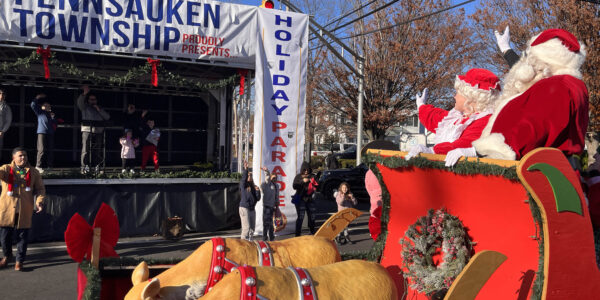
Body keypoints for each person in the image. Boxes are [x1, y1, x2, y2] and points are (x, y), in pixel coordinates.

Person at [473, 29, 589, 162]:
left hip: (536, 173)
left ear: (541, 61)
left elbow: (532, 127)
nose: (526, 66)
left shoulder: (557, 85)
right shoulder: (566, 84)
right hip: (547, 167)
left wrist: (488, 150)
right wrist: (506, 49)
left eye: (530, 58)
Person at [405, 68, 501, 166]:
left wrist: (432, 151)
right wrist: (421, 106)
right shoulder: (460, 118)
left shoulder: (486, 121)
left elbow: (464, 144)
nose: (454, 96)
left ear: (470, 97)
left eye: (457, 93)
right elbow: (436, 118)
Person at [0, 147, 45, 271]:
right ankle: (7, 256)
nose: (23, 158)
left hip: (24, 209)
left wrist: (39, 202)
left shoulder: (34, 172)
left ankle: (19, 261)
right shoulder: (6, 169)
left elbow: (40, 189)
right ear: (13, 158)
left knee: (22, 237)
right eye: (20, 155)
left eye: (25, 155)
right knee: (4, 237)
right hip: (7, 209)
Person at [77, 85, 110, 174]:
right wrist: (84, 94)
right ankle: (84, 167)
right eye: (91, 99)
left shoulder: (99, 108)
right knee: (85, 149)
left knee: (98, 149)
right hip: (87, 130)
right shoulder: (85, 107)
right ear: (88, 100)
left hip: (98, 131)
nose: (93, 101)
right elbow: (80, 103)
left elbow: (107, 117)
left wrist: (98, 109)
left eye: (94, 99)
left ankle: (97, 166)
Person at [31, 94, 59, 173]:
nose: (47, 106)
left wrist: (53, 118)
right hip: (41, 132)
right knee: (41, 149)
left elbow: (55, 125)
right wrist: (37, 97)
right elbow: (33, 105)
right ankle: (38, 166)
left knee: (50, 150)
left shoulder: (51, 114)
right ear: (42, 106)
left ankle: (50, 166)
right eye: (45, 105)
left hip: (50, 133)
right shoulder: (39, 112)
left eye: (48, 105)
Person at [292, 162, 318, 236]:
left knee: (312, 216)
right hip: (301, 199)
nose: (306, 171)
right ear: (302, 170)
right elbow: (294, 186)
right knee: (300, 217)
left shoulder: (313, 176)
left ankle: (312, 232)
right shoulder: (298, 176)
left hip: (310, 199)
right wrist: (302, 181)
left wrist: (313, 182)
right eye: (304, 170)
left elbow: (318, 185)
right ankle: (297, 234)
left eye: (307, 170)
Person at [239, 161, 261, 240]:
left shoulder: (254, 187)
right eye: (248, 175)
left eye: (251, 175)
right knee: (246, 228)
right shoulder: (243, 185)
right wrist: (246, 169)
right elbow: (243, 179)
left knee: (252, 228)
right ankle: (243, 245)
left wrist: (258, 191)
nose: (249, 176)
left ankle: (250, 243)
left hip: (252, 208)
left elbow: (258, 199)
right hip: (244, 208)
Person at [260, 166, 279, 241]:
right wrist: (266, 171)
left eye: (276, 178)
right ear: (271, 178)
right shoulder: (268, 183)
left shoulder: (277, 186)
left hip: (272, 207)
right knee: (266, 223)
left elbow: (277, 196)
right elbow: (267, 177)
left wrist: (277, 207)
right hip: (266, 206)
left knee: (271, 224)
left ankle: (271, 238)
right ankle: (264, 238)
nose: (275, 179)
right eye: (273, 178)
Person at [0, 88, 12, 161]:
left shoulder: (6, 107)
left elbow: (8, 120)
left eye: (3, 94)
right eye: (0, 94)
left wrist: (3, 131)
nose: (1, 95)